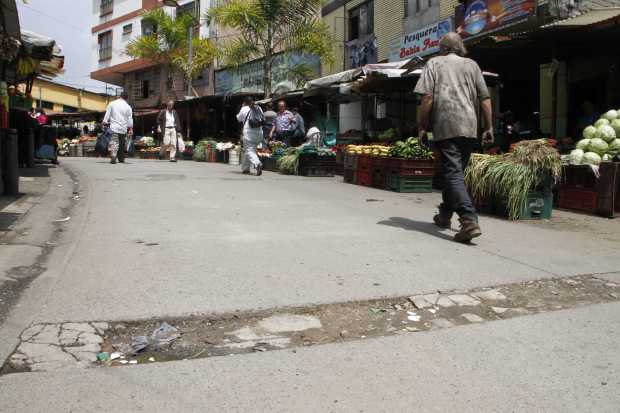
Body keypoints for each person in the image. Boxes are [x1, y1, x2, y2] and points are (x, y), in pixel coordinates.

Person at [414, 32, 493, 243]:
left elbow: (427, 97)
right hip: (469, 126)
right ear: (461, 48)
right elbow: (485, 98)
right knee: (455, 173)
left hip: (446, 124)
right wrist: (489, 126)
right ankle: (445, 214)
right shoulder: (472, 65)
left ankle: (469, 220)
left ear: (442, 48)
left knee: (453, 173)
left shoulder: (434, 63)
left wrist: (422, 126)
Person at [102, 91, 133, 164]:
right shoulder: (128, 107)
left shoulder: (112, 103)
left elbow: (107, 114)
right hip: (123, 128)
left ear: (120, 96)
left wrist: (104, 121)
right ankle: (121, 158)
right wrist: (130, 128)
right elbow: (130, 119)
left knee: (115, 142)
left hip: (114, 127)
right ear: (127, 98)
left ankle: (113, 156)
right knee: (122, 143)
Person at [237, 96, 264, 176]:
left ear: (245, 102)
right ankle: (245, 168)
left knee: (249, 150)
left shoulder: (244, 108)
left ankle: (257, 164)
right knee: (250, 150)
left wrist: (242, 107)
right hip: (259, 132)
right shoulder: (259, 108)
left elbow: (239, 118)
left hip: (249, 133)